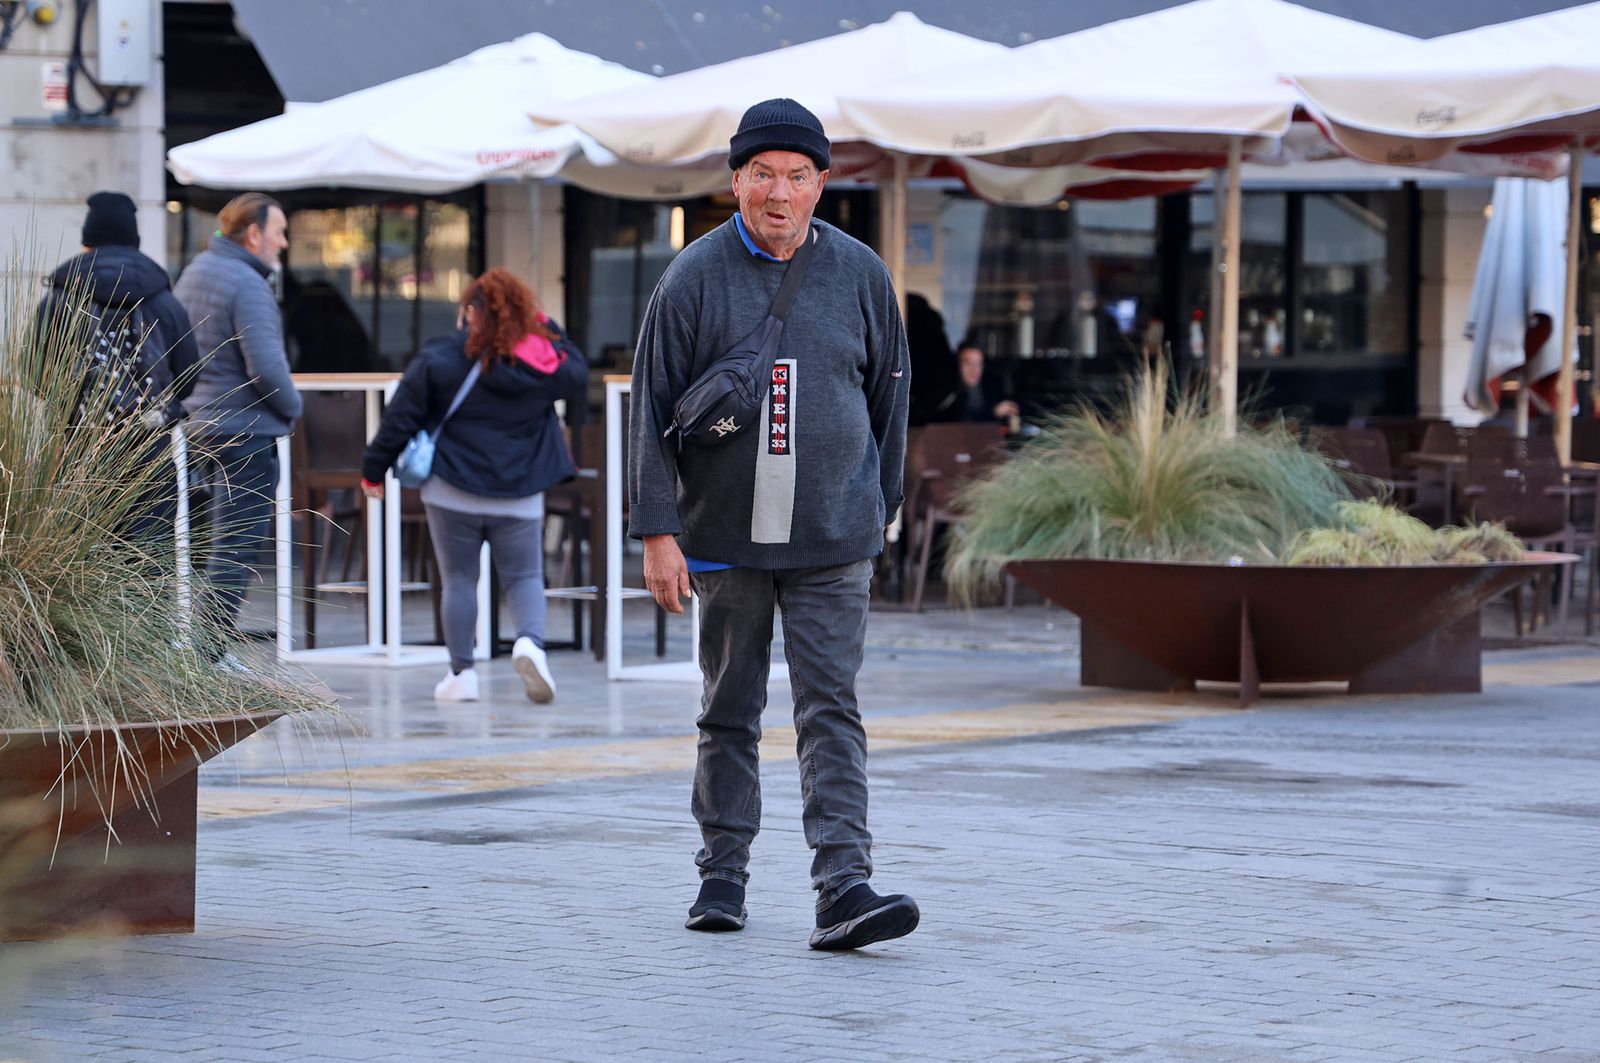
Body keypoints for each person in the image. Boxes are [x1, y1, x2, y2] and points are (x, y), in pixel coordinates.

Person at [628, 98, 917, 951]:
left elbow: (890, 401)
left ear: (822, 185)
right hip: (724, 536)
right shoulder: (692, 277)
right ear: (736, 182)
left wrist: (879, 510)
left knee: (832, 707)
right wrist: (657, 531)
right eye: (763, 175)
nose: (779, 193)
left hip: (834, 536)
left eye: (797, 176)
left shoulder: (861, 275)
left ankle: (843, 884)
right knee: (730, 707)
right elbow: (647, 410)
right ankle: (723, 873)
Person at [360, 268, 586, 704]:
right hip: (520, 492)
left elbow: (398, 421)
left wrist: (374, 470)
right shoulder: (543, 365)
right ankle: (529, 643)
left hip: (452, 490)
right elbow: (575, 368)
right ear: (525, 316)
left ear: (468, 311)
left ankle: (462, 674)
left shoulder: (439, 358)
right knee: (524, 576)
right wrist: (545, 326)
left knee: (459, 579)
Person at [174, 192, 303, 643]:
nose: (283, 243)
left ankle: (200, 648)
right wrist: (294, 407)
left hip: (198, 427)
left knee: (206, 546)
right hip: (244, 431)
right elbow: (267, 367)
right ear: (253, 234)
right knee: (235, 545)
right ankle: (210, 652)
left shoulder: (195, 273)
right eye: (279, 232)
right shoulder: (248, 284)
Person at [38, 191, 201, 538]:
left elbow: (37, 376)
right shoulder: (163, 300)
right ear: (135, 242)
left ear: (87, 242)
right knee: (148, 561)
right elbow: (188, 375)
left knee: (76, 561)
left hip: (78, 449)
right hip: (148, 446)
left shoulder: (58, 299)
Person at [931, 341, 1020, 425]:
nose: (974, 370)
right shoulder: (947, 393)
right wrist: (993, 413)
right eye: (968, 364)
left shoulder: (989, 387)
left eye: (978, 364)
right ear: (957, 365)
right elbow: (960, 423)